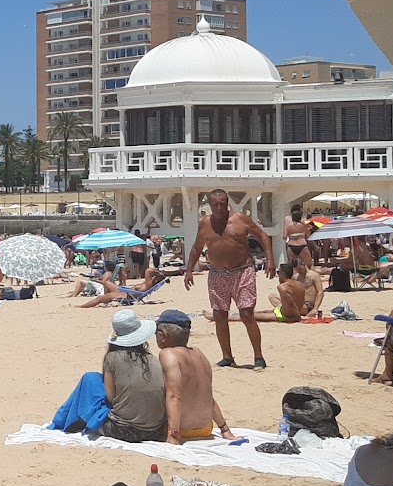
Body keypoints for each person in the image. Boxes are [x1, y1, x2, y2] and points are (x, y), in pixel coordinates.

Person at [183, 188, 276, 369]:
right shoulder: (205, 224)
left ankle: (258, 357)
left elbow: (263, 235)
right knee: (219, 315)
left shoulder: (240, 219)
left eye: (222, 203)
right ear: (210, 205)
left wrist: (270, 260)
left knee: (247, 313)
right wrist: (189, 271)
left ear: (227, 203)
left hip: (242, 270)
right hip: (217, 273)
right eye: (215, 204)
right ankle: (227, 357)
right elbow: (196, 247)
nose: (219, 207)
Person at [155, 315, 235, 443]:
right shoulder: (198, 353)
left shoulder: (167, 354)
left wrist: (173, 435)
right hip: (206, 429)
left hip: (183, 431)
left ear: (164, 335)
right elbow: (208, 396)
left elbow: (174, 396)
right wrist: (224, 429)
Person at [101, 309, 168, 441]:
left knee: (90, 382)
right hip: (156, 430)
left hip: (122, 430)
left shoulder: (112, 358)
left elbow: (111, 397)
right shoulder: (153, 359)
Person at [283, 205, 312, 270]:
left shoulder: (288, 226)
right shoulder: (302, 225)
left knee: (293, 266)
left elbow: (284, 237)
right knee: (309, 265)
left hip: (291, 246)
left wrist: (292, 235)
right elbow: (308, 235)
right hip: (302, 245)